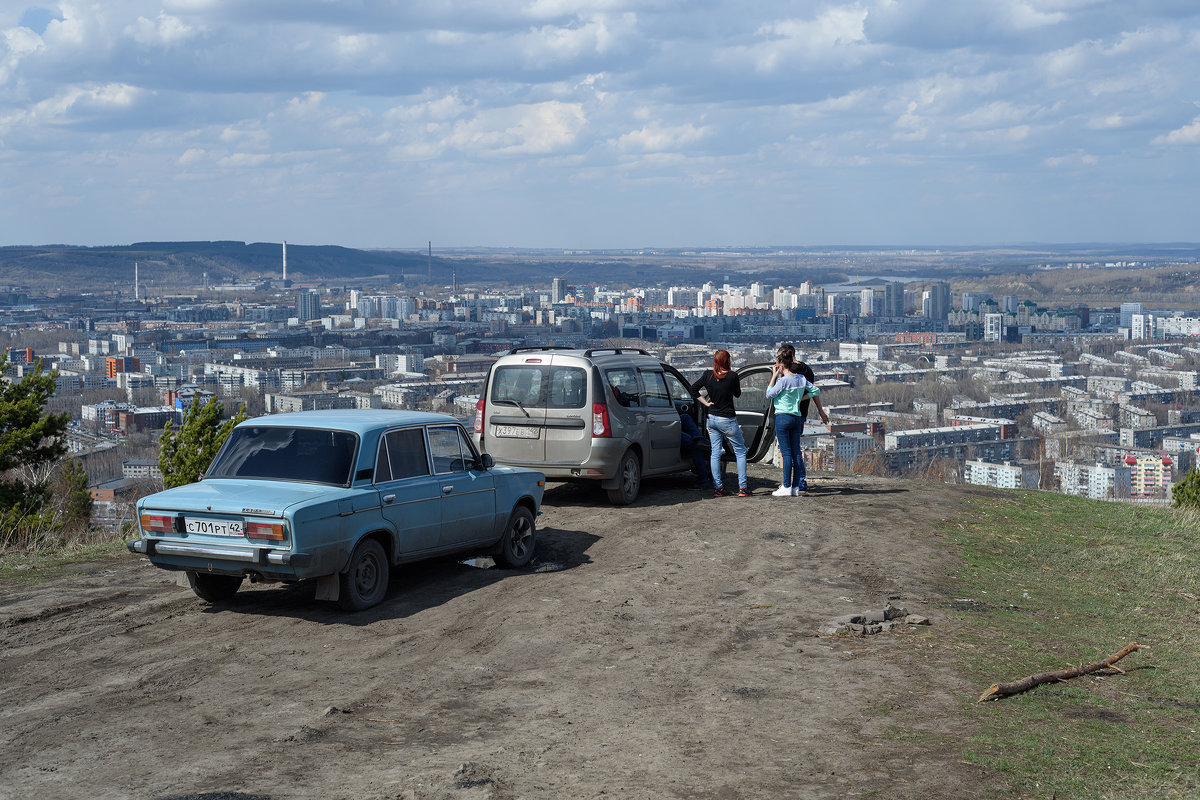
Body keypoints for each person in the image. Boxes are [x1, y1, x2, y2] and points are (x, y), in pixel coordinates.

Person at [770, 344, 830, 494]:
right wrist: (820, 410)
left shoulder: (786, 374)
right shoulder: (806, 371)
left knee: (787, 452)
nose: (777, 363)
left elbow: (771, 394)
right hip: (799, 415)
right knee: (796, 450)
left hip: (785, 414)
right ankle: (798, 484)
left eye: (778, 359)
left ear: (784, 357)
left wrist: (775, 376)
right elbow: (814, 391)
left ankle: (788, 485)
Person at [691, 349, 749, 497]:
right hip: (727, 418)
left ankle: (718, 488)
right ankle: (743, 488)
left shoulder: (707, 375)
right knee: (740, 451)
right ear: (727, 361)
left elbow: (693, 389)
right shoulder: (732, 376)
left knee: (715, 453)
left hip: (712, 419)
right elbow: (737, 394)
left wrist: (705, 403)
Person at [678, 405, 712, 488]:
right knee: (695, 444)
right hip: (662, 427)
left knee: (685, 417)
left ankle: (699, 439)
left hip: (665, 421)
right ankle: (703, 480)